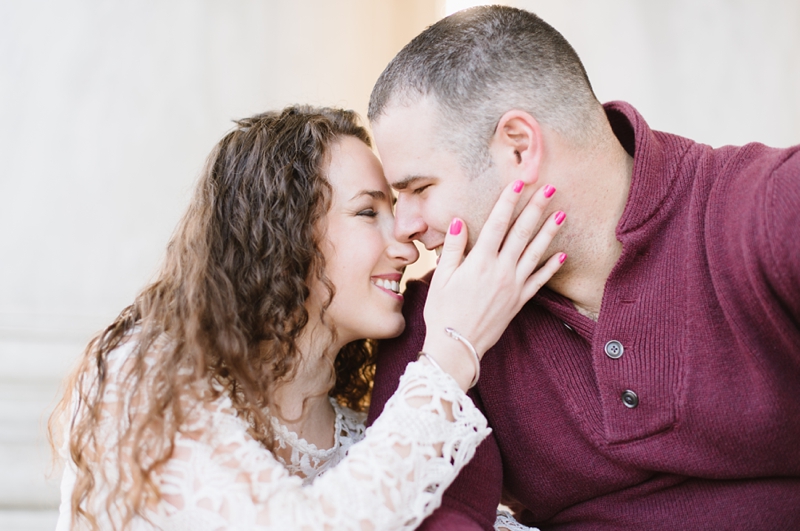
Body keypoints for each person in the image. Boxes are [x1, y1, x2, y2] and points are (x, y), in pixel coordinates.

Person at [365, 5, 800, 530]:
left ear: (519, 147)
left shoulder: (768, 207)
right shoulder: (439, 322)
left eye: (418, 188)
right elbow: (431, 516)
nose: (404, 226)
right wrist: (452, 345)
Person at [50, 105, 567, 530]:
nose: (406, 246)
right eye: (368, 212)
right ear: (282, 233)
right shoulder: (145, 372)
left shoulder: (367, 429)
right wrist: (452, 354)